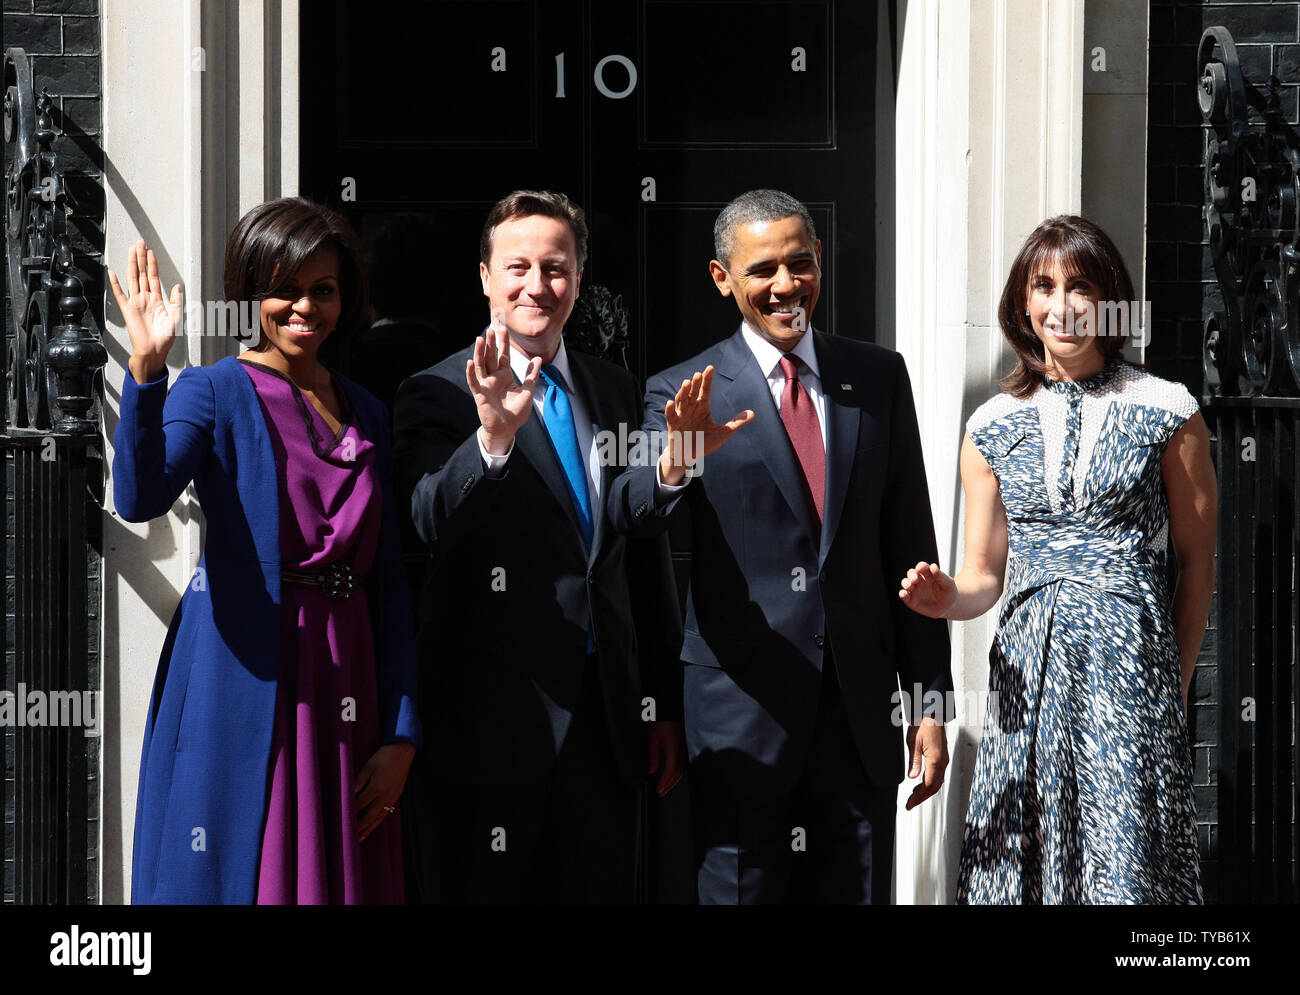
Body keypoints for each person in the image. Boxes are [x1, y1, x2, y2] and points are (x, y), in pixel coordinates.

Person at [607, 189, 953, 904]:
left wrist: (927, 700)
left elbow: (909, 546)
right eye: (762, 269)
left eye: (801, 263)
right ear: (721, 277)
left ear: (820, 260)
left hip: (858, 716)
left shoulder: (878, 376)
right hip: (739, 713)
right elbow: (631, 511)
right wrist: (678, 460)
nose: (786, 285)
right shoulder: (681, 391)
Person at [898, 215, 1216, 904]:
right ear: (1023, 304)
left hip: (1130, 671)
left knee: (1125, 864)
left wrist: (1173, 681)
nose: (1062, 303)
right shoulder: (989, 425)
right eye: (1043, 286)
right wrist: (945, 596)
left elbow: (1196, 564)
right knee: (1024, 856)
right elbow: (984, 575)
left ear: (1110, 299)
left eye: (1081, 285)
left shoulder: (1168, 409)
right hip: (1026, 674)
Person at [111, 197, 420, 904]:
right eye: (285, 288)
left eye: (324, 289)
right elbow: (139, 496)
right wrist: (147, 373)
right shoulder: (214, 390)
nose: (304, 306)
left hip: (349, 677)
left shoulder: (368, 409)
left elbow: (391, 583)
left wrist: (403, 732)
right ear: (252, 292)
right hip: (242, 673)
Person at [393, 189, 684, 904]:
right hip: (491, 725)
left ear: (579, 280)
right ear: (486, 278)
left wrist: (662, 703)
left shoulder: (616, 390)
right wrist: (491, 438)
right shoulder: (435, 390)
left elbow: (635, 553)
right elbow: (425, 520)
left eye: (555, 268)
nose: (537, 285)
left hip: (606, 724)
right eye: (517, 267)